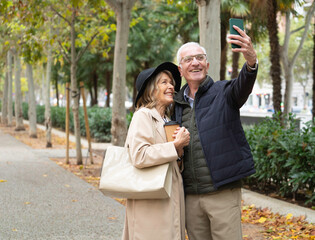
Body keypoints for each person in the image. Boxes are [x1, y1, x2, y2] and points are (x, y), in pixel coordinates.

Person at [173, 25, 258, 240]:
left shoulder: (224, 91)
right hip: (190, 195)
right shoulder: (174, 104)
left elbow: (243, 85)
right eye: (188, 59)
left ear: (207, 65)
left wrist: (250, 62)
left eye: (200, 57)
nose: (195, 62)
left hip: (222, 192)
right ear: (180, 69)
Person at [122, 62, 190, 240]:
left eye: (171, 83)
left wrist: (180, 152)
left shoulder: (166, 119)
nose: (171, 86)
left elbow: (170, 160)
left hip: (168, 197)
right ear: (151, 90)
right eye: (164, 82)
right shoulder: (143, 115)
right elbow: (139, 155)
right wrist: (174, 146)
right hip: (150, 202)